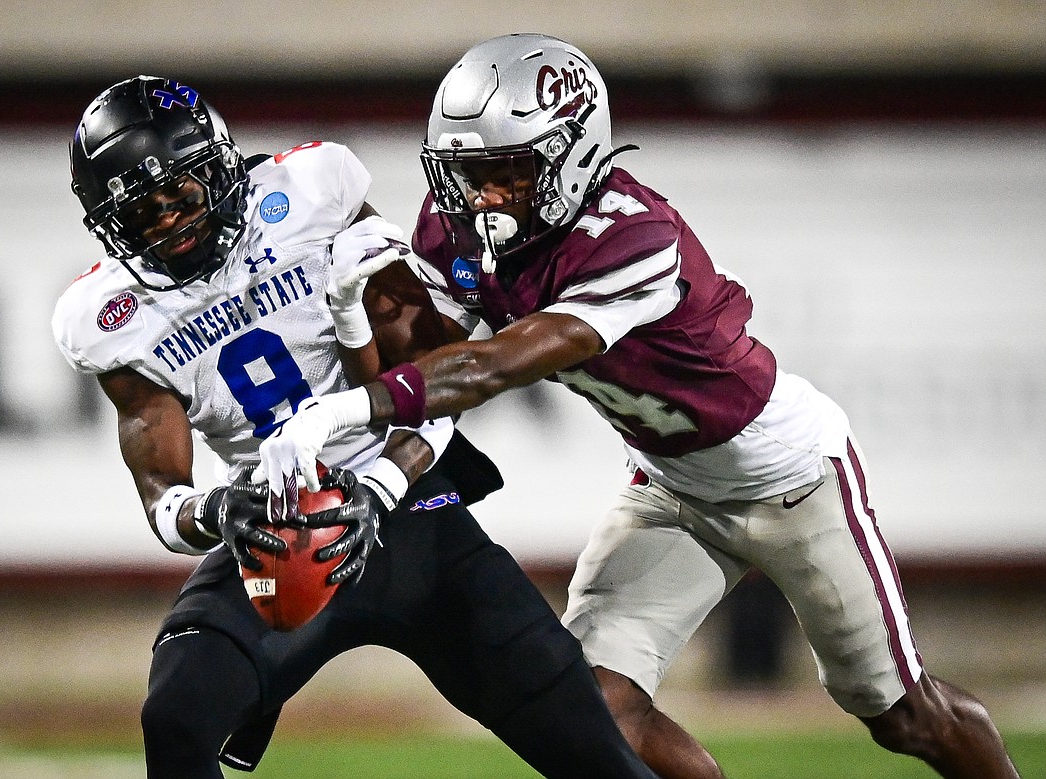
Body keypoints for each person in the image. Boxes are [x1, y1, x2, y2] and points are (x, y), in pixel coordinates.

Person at [256, 34, 1022, 779]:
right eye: (469, 171)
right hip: (669, 487)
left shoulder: (634, 236)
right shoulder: (464, 223)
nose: (483, 195)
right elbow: (421, 366)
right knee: (592, 706)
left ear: (574, 152)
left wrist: (340, 411)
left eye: (508, 172)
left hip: (790, 479)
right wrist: (359, 310)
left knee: (901, 714)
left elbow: (497, 365)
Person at [51, 75, 659, 779]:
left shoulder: (310, 194)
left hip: (413, 509)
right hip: (280, 532)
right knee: (177, 713)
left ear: (219, 165)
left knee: (592, 748)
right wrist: (219, 509)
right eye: (142, 213)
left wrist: (375, 485)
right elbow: (161, 492)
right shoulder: (108, 318)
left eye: (179, 193)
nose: (169, 222)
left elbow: (430, 378)